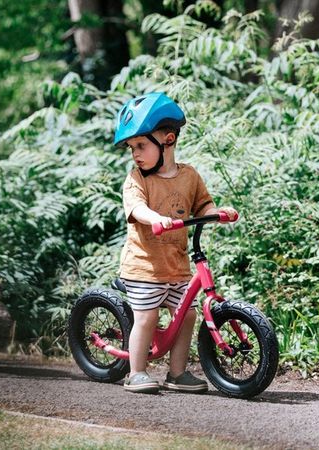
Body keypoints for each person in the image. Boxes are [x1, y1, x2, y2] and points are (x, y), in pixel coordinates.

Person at [113, 92, 237, 394]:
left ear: (168, 140)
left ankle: (177, 373)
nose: (135, 154)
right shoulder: (136, 179)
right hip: (144, 268)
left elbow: (203, 204)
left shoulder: (189, 176)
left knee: (188, 316)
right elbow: (136, 208)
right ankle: (136, 372)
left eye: (141, 145)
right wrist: (153, 217)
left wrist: (216, 213)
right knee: (147, 316)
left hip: (178, 266)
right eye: (131, 148)